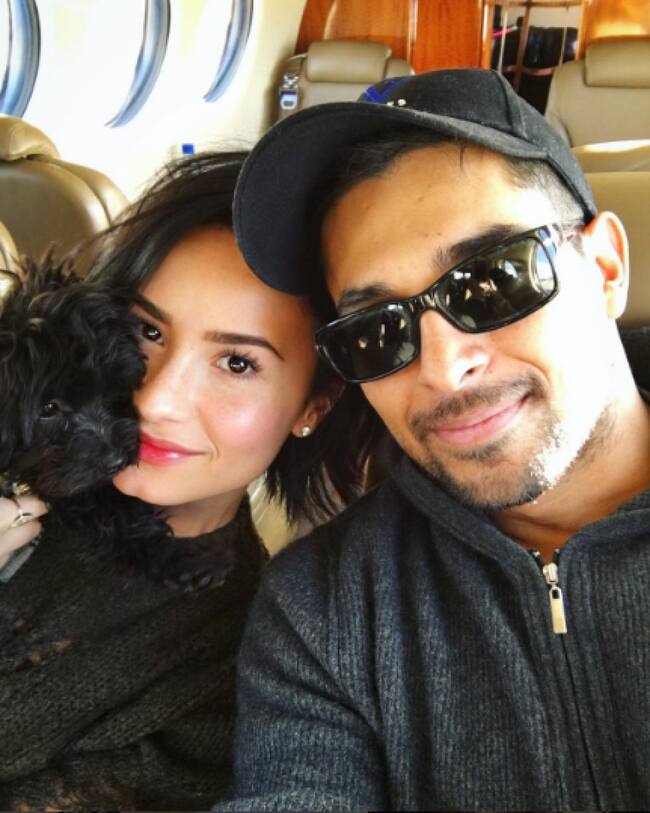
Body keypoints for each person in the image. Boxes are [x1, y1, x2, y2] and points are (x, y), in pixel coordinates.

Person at [218, 70, 650, 810]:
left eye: (494, 281)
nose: (444, 369)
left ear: (605, 269)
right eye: (377, 329)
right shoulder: (323, 611)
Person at [0, 152, 374, 810]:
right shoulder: (25, 446)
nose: (156, 400)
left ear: (315, 404)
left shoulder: (246, 664)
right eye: (148, 331)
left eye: (237, 362)